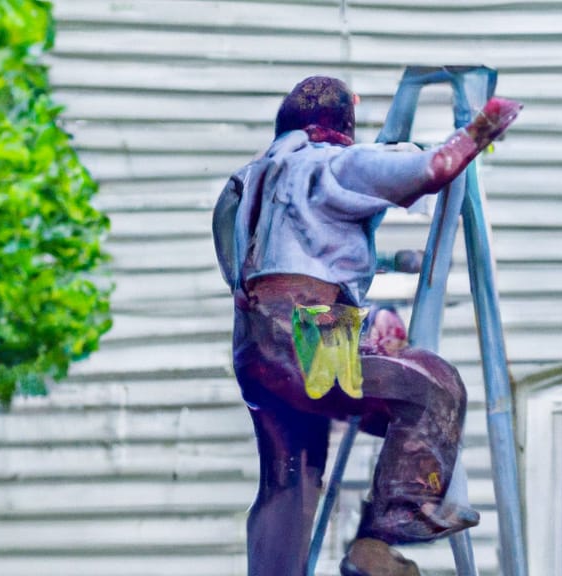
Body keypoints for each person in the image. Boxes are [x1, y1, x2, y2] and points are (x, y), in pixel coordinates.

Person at [212, 76, 521, 576]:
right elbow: (434, 167)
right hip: (311, 333)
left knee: (289, 480)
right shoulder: (332, 162)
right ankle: (383, 534)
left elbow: (297, 258)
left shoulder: (247, 183)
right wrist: (483, 127)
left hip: (254, 349)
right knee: (430, 386)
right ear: (341, 126)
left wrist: (387, 267)